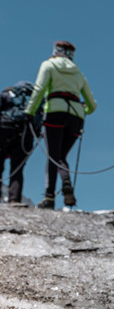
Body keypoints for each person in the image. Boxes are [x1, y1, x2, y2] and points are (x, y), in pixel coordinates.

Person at [24, 41, 97, 209]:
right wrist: (83, 109)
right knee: (61, 156)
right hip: (76, 117)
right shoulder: (79, 73)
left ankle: (50, 197)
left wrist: (30, 111)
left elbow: (39, 90)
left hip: (55, 113)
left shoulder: (48, 65)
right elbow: (92, 105)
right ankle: (66, 184)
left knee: (53, 156)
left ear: (55, 51)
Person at [0, 82, 44, 204]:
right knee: (17, 168)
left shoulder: (6, 94)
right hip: (26, 133)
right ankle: (14, 199)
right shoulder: (32, 100)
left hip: (4, 128)